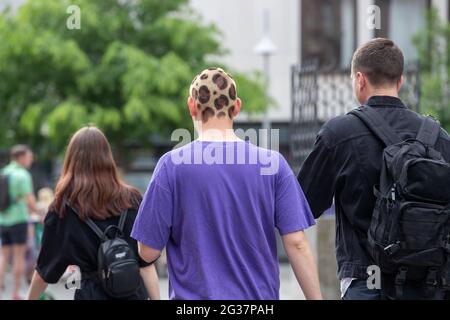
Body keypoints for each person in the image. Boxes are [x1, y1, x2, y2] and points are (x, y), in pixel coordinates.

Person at [131, 67, 322, 300]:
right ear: (237, 107)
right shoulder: (273, 164)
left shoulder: (171, 166)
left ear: (192, 106)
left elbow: (147, 252)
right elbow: (297, 243)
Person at [298, 38, 450, 299]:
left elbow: (302, 205)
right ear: (400, 81)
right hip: (428, 285)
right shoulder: (439, 137)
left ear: (359, 79)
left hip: (366, 284)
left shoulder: (338, 134)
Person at [27, 127, 160, 300]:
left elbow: (45, 271)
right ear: (107, 157)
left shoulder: (62, 208)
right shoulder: (132, 199)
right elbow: (146, 264)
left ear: (72, 160)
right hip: (132, 293)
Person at [0, 145, 37, 300]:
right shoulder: (22, 175)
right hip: (19, 221)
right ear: (20, 157)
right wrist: (39, 213)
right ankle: (15, 293)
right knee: (19, 256)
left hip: (3, 220)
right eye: (29, 157)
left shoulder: (3, 172)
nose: (30, 160)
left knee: (3, 255)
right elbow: (30, 200)